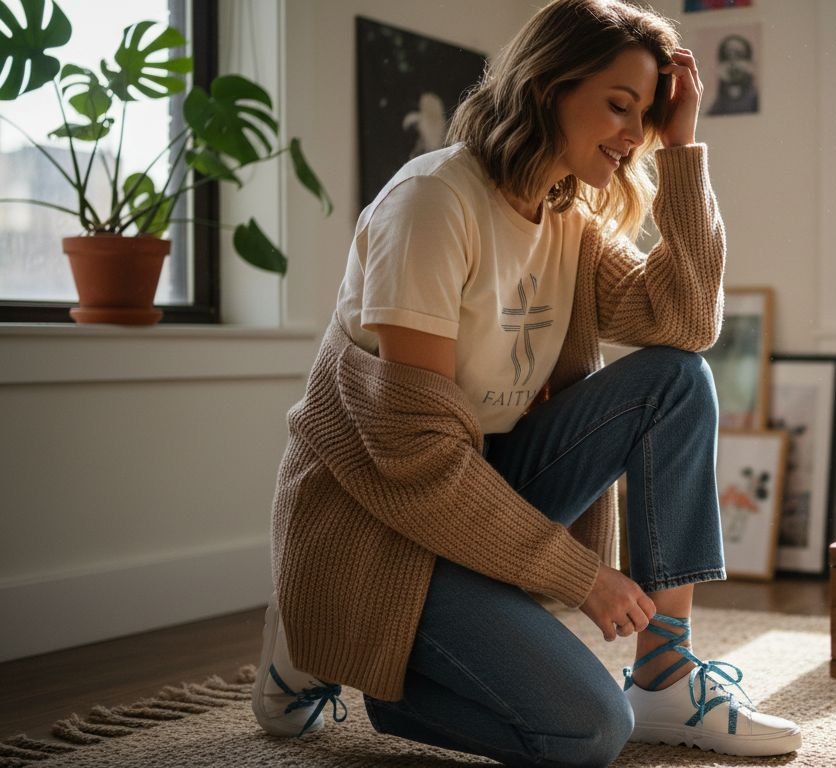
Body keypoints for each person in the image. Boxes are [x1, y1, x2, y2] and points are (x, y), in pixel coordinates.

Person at [249, 0, 802, 765]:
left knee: (677, 379)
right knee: (588, 733)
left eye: (644, 115)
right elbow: (414, 460)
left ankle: (667, 672)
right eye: (618, 105)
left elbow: (684, 322)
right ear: (547, 88)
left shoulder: (566, 217)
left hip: (479, 495)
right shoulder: (433, 205)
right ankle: (340, 647)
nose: (631, 135)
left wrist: (683, 147)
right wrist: (584, 577)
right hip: (379, 527)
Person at [707, 34, 758, 116]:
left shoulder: (757, 102)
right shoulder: (713, 109)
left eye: (739, 56)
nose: (732, 62)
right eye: (726, 57)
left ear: (750, 64)